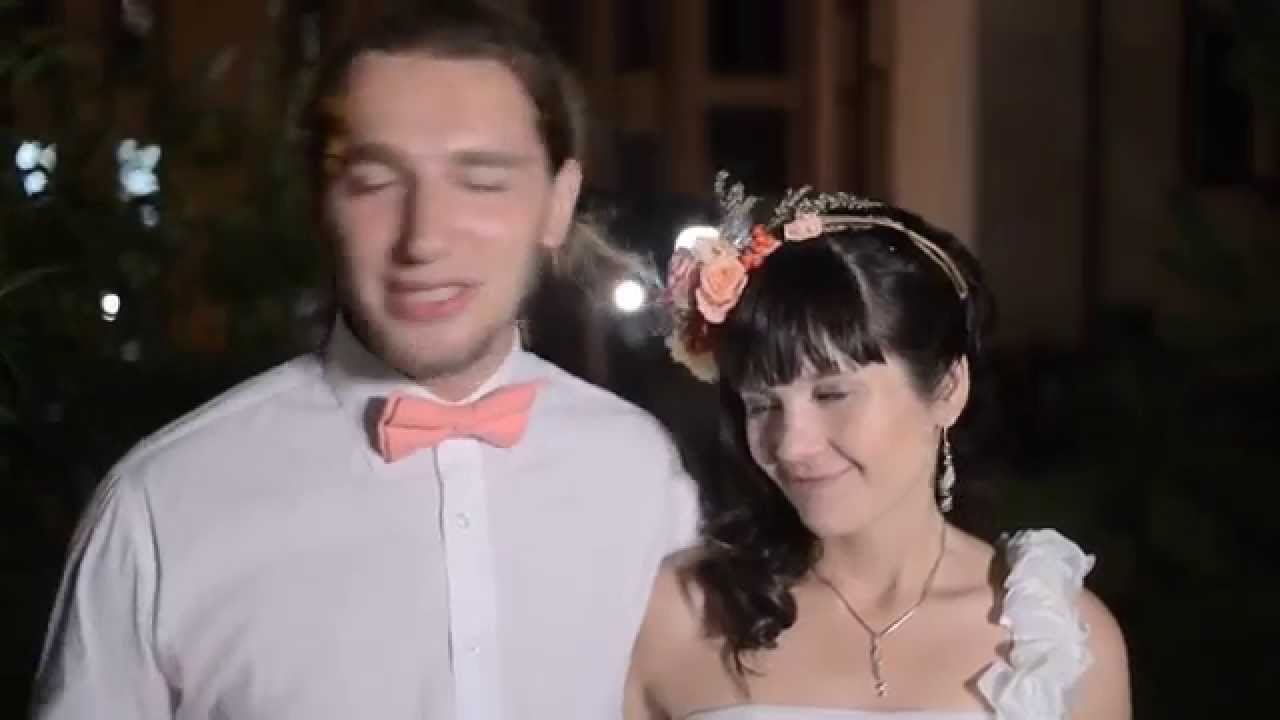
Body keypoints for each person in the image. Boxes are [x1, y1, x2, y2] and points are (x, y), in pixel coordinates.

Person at [33, 3, 697, 719]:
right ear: (321, 202)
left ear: (558, 204)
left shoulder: (641, 473)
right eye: (376, 182)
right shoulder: (159, 507)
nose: (424, 239)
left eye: (481, 181)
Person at [625, 173, 1130, 720]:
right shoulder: (677, 614)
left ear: (948, 390)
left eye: (832, 394)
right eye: (763, 405)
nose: (791, 445)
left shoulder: (1056, 642)